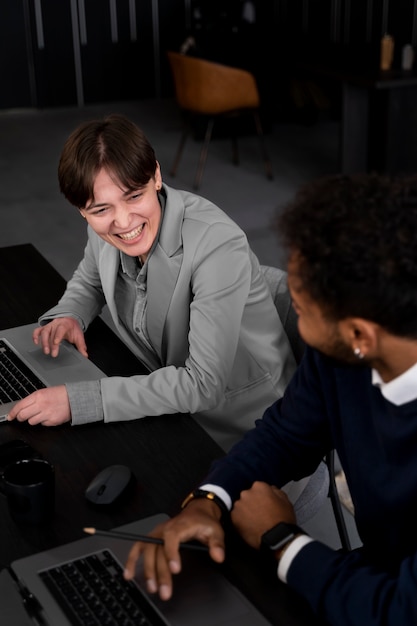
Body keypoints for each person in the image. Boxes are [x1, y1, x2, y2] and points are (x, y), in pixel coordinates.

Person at [124, 172, 417, 626]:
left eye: (299, 310)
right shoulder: (341, 355)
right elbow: (285, 434)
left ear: (360, 334)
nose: (295, 326)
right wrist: (208, 499)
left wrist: (280, 538)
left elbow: (398, 611)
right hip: (375, 573)